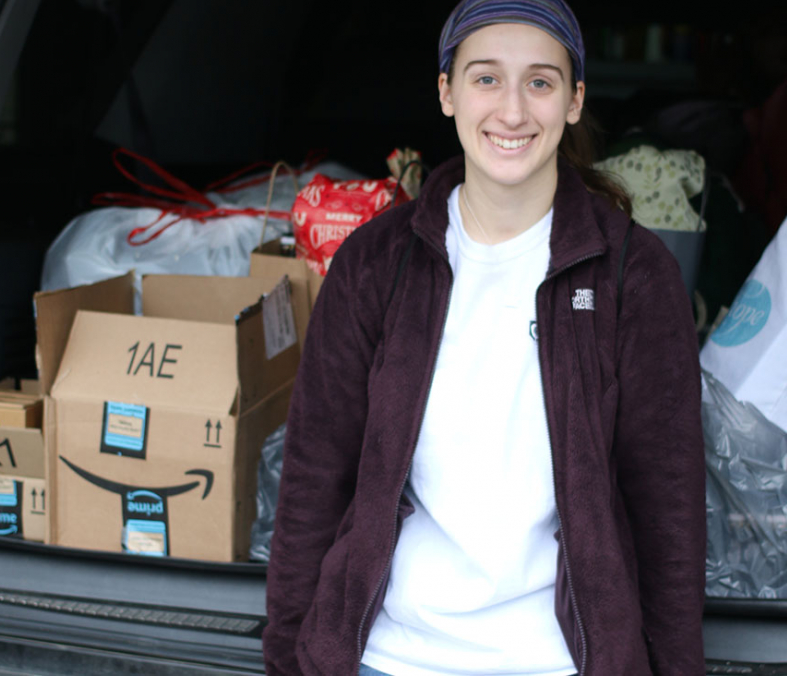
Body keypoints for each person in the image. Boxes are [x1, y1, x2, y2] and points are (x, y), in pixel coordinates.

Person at [263, 0, 706, 674]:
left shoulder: (631, 274)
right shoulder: (377, 262)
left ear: (574, 99)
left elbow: (667, 508)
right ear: (446, 92)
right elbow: (313, 480)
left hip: (556, 662)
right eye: (485, 78)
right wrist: (288, 659)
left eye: (539, 81)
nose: (511, 112)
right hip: (389, 657)